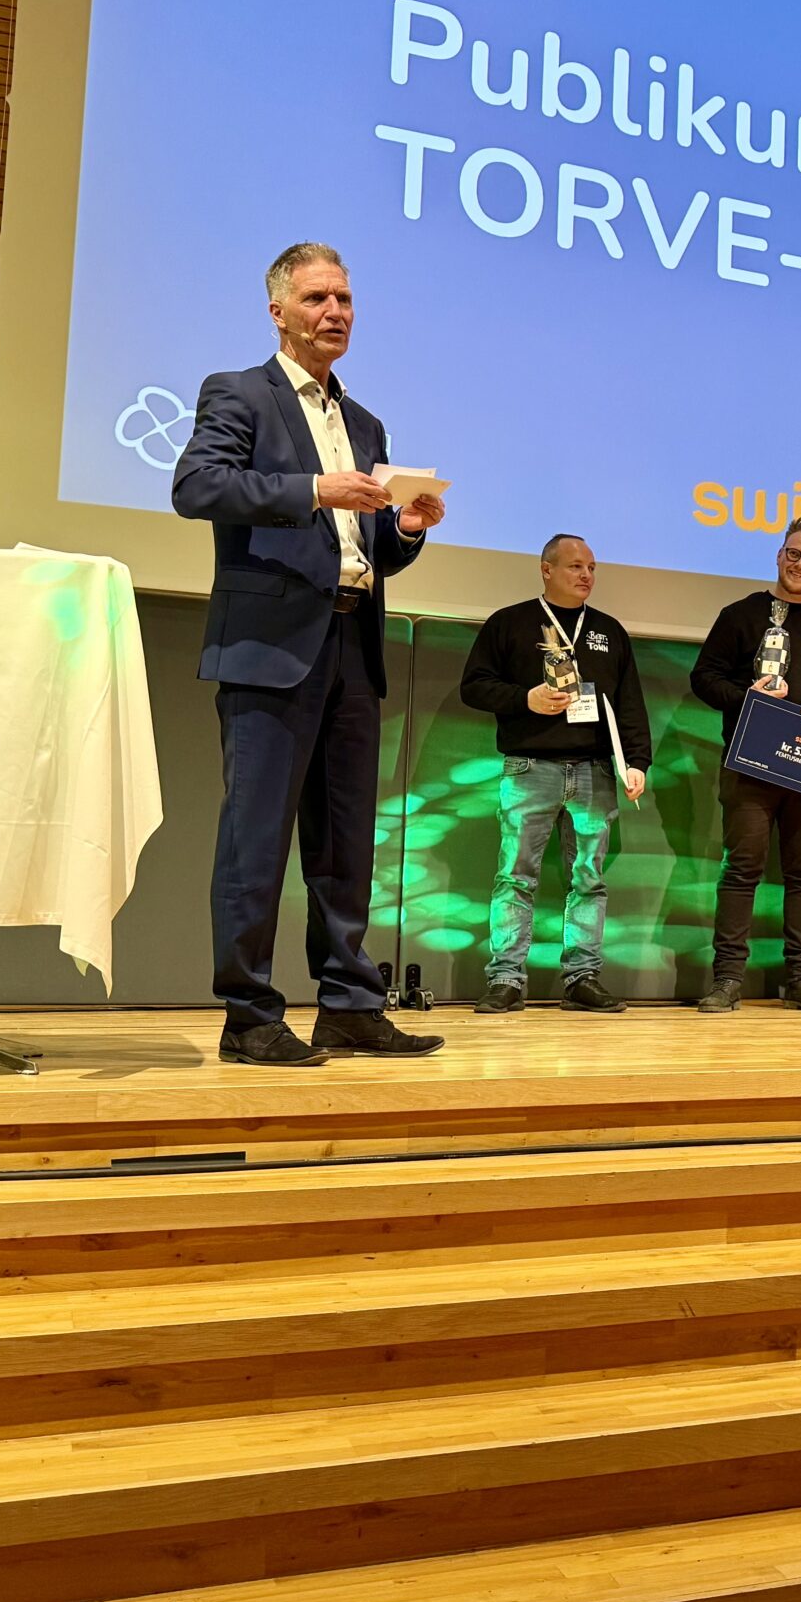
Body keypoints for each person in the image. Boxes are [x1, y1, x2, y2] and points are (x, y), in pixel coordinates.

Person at [172, 242, 448, 1066]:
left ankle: (350, 1006)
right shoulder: (239, 393)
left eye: (345, 299)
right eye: (318, 298)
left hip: (353, 643)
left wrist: (405, 529)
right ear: (279, 312)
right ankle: (248, 1015)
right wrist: (314, 491)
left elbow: (369, 549)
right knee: (255, 843)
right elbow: (196, 486)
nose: (335, 312)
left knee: (345, 846)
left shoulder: (364, 424)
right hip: (268, 648)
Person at [458, 533, 652, 1015]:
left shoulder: (608, 630)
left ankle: (582, 978)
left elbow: (629, 703)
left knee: (588, 879)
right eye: (575, 566)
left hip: (595, 772)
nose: (586, 575)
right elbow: (474, 686)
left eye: (592, 568)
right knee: (515, 877)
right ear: (546, 569)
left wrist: (636, 763)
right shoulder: (510, 622)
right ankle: (505, 979)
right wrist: (525, 698)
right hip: (530, 768)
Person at [689, 518, 801, 1011]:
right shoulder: (739, 615)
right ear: (779, 554)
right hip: (749, 764)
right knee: (742, 869)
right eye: (793, 553)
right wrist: (745, 698)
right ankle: (727, 980)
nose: (800, 564)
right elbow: (704, 678)